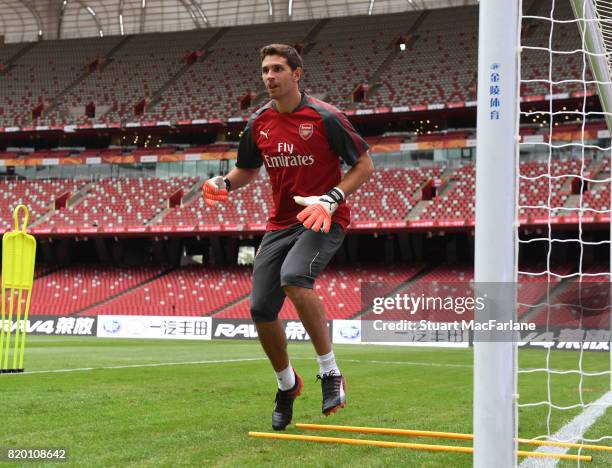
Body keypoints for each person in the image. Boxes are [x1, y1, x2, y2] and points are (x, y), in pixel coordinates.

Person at [202, 44, 374, 431]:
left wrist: (331, 198)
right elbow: (245, 170)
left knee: (295, 278)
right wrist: (223, 183)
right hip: (281, 223)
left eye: (277, 68)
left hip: (324, 214)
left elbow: (364, 164)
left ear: (296, 74)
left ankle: (330, 373)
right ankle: (287, 385)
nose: (269, 76)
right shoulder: (259, 122)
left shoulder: (326, 117)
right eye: (265, 70)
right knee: (261, 307)